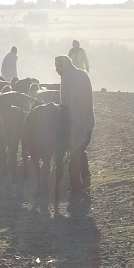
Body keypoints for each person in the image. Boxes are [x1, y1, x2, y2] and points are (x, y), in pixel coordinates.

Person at [56, 55, 94, 194]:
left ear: (63, 66)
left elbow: (74, 103)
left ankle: (76, 187)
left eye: (57, 66)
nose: (56, 70)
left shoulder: (72, 78)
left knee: (74, 156)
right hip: (82, 122)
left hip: (80, 122)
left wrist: (74, 121)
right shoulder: (72, 76)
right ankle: (86, 176)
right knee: (78, 150)